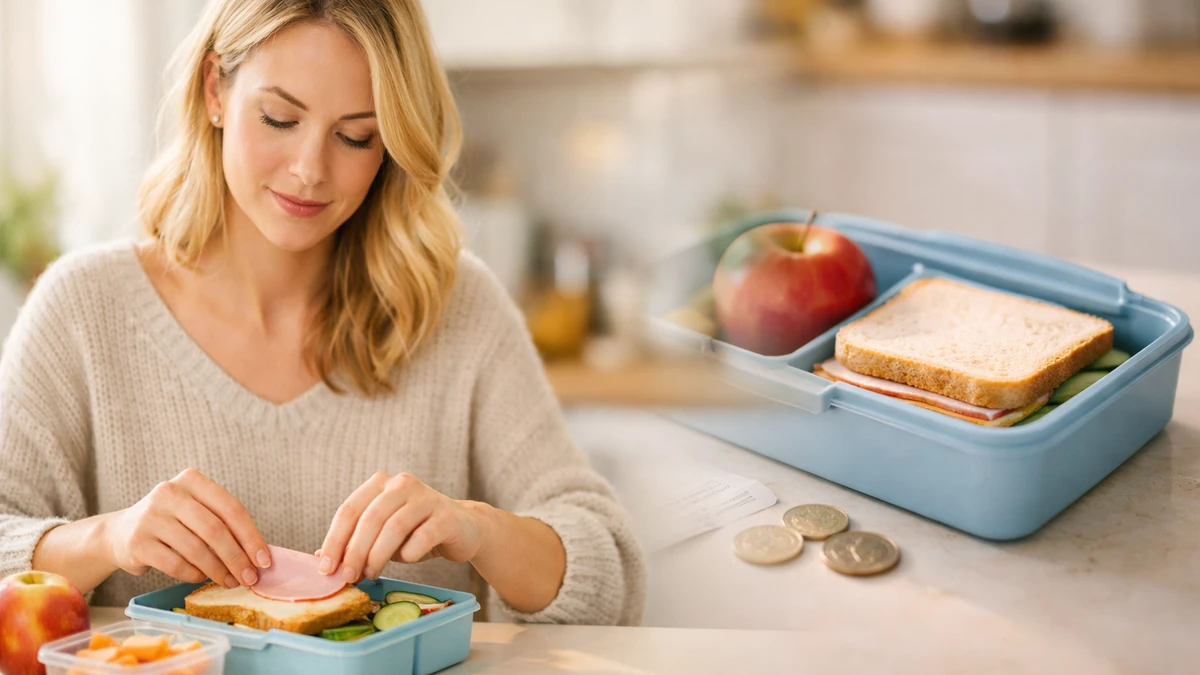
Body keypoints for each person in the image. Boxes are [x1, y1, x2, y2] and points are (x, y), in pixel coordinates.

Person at [0, 0, 644, 625]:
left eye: (355, 136)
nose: (310, 170)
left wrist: (479, 529)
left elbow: (607, 574)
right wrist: (108, 539)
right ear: (215, 90)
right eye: (280, 119)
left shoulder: (457, 311)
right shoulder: (84, 309)